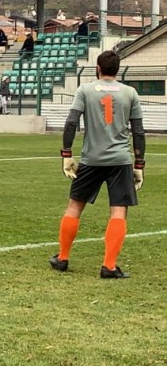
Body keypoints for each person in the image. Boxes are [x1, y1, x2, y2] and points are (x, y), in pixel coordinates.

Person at [50, 50, 145, 279]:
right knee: (118, 211)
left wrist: (66, 154)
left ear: (97, 69)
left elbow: (72, 121)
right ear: (118, 69)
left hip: (91, 159)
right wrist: (139, 164)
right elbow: (139, 131)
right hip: (120, 160)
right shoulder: (130, 93)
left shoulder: (85, 90)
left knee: (74, 207)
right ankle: (109, 266)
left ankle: (62, 258)